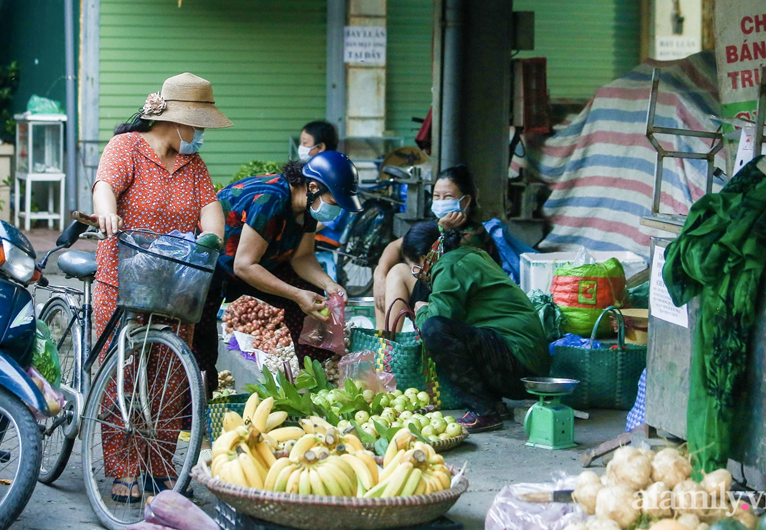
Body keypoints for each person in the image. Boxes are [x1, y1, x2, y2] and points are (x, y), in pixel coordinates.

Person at [90, 72, 229, 502]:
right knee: (124, 378)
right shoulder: (127, 148)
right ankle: (122, 467)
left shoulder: (194, 167)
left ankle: (158, 463)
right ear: (178, 121)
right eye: (199, 125)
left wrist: (212, 239)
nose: (200, 135)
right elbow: (104, 188)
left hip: (176, 289)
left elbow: (211, 212)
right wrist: (108, 214)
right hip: (124, 284)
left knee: (170, 379)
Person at [193, 151, 363, 392]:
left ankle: (317, 380)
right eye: (334, 203)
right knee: (202, 343)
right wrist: (295, 294)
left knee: (311, 300)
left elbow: (302, 257)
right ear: (312, 186)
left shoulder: (308, 207)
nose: (335, 212)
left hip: (257, 262)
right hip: (213, 267)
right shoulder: (271, 199)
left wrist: (329, 285)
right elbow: (244, 265)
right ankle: (196, 415)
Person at [402, 220, 550, 433]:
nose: (415, 273)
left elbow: (434, 322)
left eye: (413, 266)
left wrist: (421, 309)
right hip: (527, 362)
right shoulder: (470, 255)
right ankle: (493, 404)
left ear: (424, 258)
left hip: (519, 360)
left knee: (435, 330)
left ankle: (482, 411)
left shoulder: (449, 265)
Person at [372, 164, 499, 328]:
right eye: (436, 196)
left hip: (462, 305)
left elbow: (450, 277)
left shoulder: (474, 236)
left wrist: (441, 229)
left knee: (399, 273)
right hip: (442, 294)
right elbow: (396, 246)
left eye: (447, 197)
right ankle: (383, 341)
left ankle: (388, 345)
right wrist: (379, 275)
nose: (440, 202)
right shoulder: (440, 225)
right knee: (387, 273)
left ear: (466, 201)